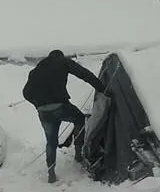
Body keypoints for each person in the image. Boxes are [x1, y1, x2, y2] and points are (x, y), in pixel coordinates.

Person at [22, 50, 106, 183]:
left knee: (51, 141)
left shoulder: (36, 70)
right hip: (60, 106)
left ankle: (51, 174)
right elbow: (84, 74)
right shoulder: (63, 62)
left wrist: (38, 105)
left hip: (44, 111)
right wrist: (101, 88)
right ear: (60, 56)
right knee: (79, 119)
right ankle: (78, 154)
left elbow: (26, 93)